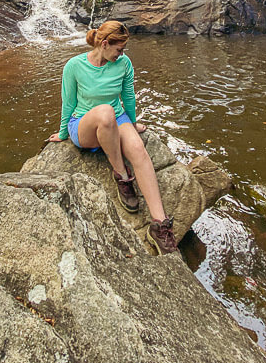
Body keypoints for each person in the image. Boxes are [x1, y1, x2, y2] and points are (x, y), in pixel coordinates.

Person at [48, 20, 178, 254]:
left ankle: (159, 225)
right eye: (119, 49)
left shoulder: (124, 64)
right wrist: (62, 133)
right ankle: (122, 174)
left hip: (117, 118)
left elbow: (128, 97)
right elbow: (68, 103)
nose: (122, 54)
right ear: (105, 44)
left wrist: (133, 122)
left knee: (138, 150)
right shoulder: (74, 66)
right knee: (106, 112)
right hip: (85, 124)